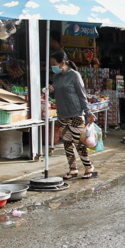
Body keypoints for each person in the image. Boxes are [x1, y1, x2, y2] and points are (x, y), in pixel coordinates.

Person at [49, 51, 96, 180]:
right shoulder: (57, 77)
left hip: (75, 114)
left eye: (54, 64)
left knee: (79, 143)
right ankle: (73, 169)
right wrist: (52, 91)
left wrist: (88, 113)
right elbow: (58, 94)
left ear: (62, 63)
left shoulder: (74, 76)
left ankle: (88, 167)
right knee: (67, 143)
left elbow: (82, 96)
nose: (52, 67)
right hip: (62, 115)